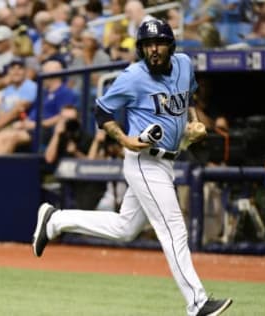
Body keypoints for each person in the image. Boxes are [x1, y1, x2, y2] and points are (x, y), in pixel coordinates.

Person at [32, 19, 232, 316]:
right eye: (147, 45)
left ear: (171, 46)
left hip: (168, 161)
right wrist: (125, 138)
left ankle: (55, 220)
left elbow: (188, 97)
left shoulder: (184, 64)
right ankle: (198, 304)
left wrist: (193, 122)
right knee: (173, 228)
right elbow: (102, 110)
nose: (153, 49)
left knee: (125, 228)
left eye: (159, 43)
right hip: (144, 160)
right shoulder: (133, 76)